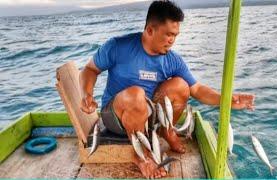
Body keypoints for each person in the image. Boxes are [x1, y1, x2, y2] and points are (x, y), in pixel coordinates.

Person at [79, 0, 254, 178]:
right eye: (168, 34)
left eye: (175, 35)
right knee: (136, 94)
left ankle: (166, 131)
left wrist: (227, 99)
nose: (172, 41)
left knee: (181, 86)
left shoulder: (172, 59)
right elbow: (90, 69)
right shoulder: (117, 46)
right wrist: (87, 94)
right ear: (150, 30)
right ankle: (142, 156)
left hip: (147, 114)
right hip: (116, 116)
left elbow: (197, 89)